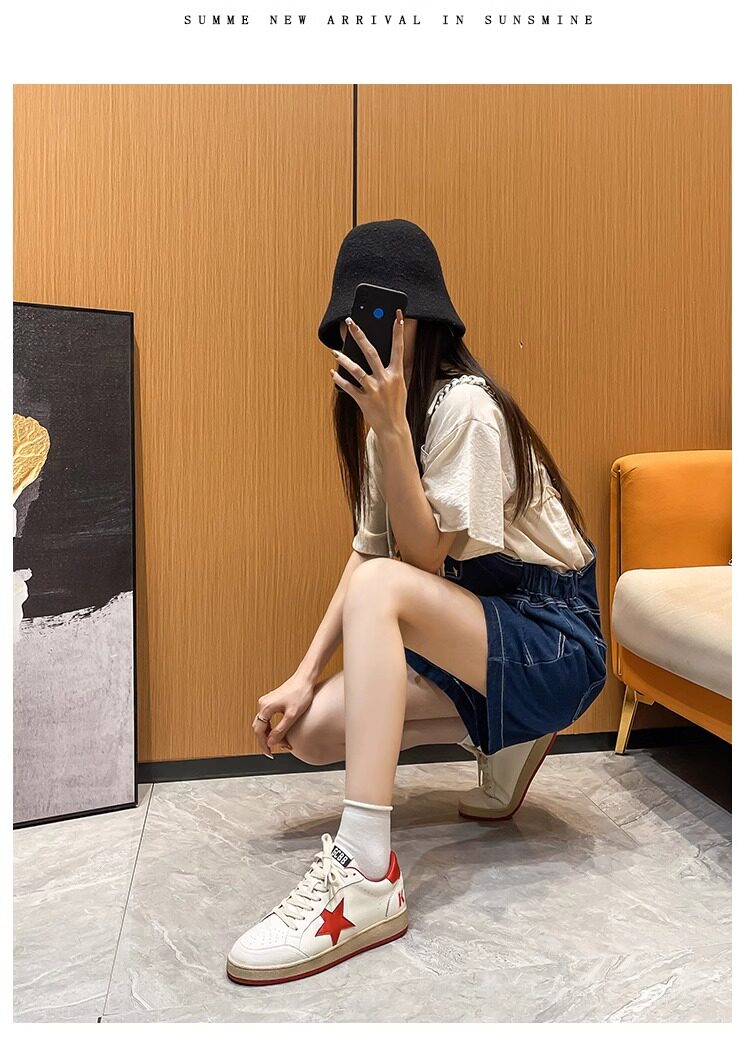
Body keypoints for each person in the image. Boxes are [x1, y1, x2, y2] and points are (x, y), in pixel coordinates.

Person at [226, 218, 607, 986]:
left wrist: (393, 431)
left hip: (556, 639)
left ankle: (366, 873)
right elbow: (368, 555)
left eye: (373, 321)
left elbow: (422, 559)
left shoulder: (466, 409)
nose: (357, 341)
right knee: (314, 732)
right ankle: (506, 736)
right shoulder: (384, 431)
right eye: (347, 328)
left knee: (385, 590)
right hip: (484, 636)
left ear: (415, 321)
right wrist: (303, 675)